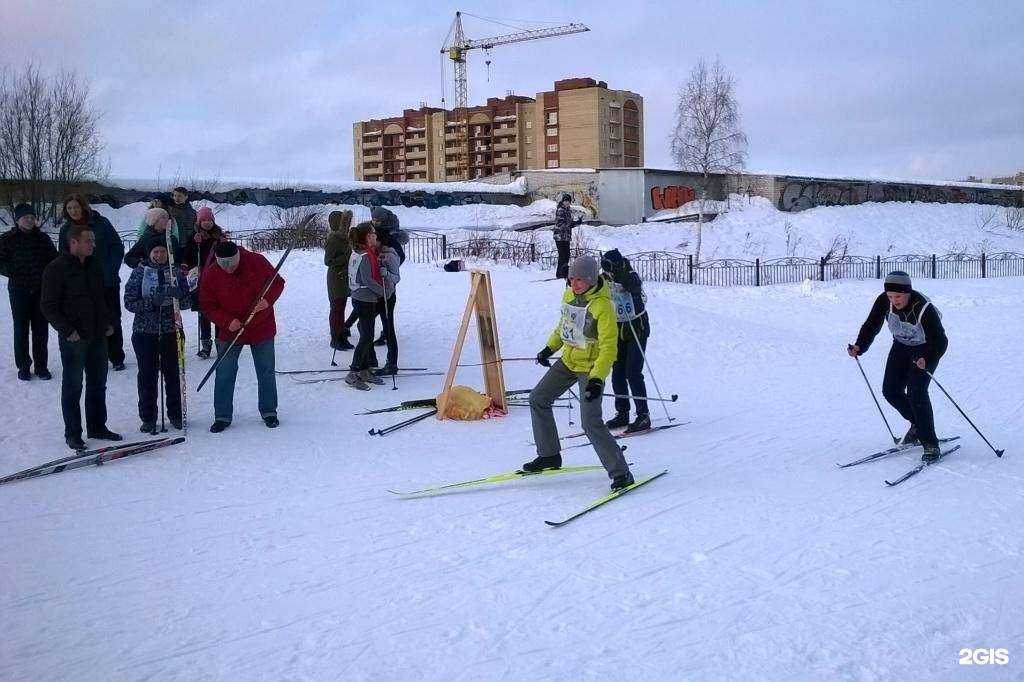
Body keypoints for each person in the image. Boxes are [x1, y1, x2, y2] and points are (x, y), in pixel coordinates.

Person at [524, 256, 634, 490]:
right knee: (538, 398)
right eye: (571, 279)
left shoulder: (603, 306)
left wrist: (596, 379)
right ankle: (549, 455)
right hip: (568, 361)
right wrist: (549, 348)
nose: (574, 284)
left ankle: (621, 473)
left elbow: (609, 348)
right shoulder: (569, 296)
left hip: (591, 367)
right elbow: (564, 326)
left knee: (590, 422)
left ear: (592, 280)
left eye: (580, 280)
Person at [849, 270, 948, 462]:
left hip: (925, 349)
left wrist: (926, 358)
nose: (895, 300)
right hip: (901, 346)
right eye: (891, 296)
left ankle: (930, 444)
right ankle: (917, 425)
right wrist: (860, 345)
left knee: (916, 392)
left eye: (899, 296)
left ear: (908, 292)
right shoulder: (884, 301)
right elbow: (872, 324)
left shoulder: (923, 307)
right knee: (890, 390)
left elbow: (940, 340)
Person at [42, 222, 122, 450]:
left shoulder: (94, 265)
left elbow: (101, 298)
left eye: (94, 241)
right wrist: (68, 331)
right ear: (73, 242)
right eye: (89, 241)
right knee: (73, 386)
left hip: (98, 335)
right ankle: (73, 433)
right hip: (74, 338)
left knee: (98, 384)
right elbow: (48, 305)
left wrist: (108, 323)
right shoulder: (56, 268)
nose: (93, 245)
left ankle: (97, 426)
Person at [198, 241, 284, 432]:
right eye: (223, 264)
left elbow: (277, 283)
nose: (228, 268)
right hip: (230, 330)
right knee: (225, 372)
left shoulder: (257, 261)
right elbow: (207, 304)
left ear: (238, 256)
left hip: (261, 326)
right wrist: (226, 321)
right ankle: (222, 415)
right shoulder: (211, 273)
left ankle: (269, 411)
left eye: (232, 263)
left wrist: (267, 301)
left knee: (266, 370)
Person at [124, 236, 191, 432]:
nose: (159, 255)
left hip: (172, 330)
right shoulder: (139, 273)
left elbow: (188, 301)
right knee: (147, 375)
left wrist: (181, 296)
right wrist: (151, 302)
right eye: (156, 252)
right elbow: (129, 302)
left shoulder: (176, 272)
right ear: (149, 253)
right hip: (145, 331)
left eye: (163, 251)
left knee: (173, 374)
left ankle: (176, 414)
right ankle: (148, 417)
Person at [58, 194, 127, 371]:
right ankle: (94, 354)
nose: (73, 211)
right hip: (81, 284)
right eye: (69, 208)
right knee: (88, 317)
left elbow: (117, 247)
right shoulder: (66, 230)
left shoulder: (101, 223)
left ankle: (116, 355)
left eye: (76, 207)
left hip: (106, 280)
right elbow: (64, 256)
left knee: (111, 317)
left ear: (83, 207)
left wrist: (109, 271)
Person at [0, 203, 57, 380]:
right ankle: (23, 366)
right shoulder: (7, 239)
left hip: (41, 290)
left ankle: (41, 366)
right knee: (21, 329)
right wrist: (14, 272)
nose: (30, 220)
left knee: (41, 329)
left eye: (32, 217)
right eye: (26, 218)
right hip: (19, 290)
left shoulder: (43, 239)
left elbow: (53, 260)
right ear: (18, 220)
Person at [601, 249, 651, 434]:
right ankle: (622, 412)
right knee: (617, 372)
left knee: (633, 372)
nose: (606, 272)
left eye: (608, 267)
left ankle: (643, 414)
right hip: (618, 328)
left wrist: (619, 275)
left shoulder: (630, 275)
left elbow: (634, 287)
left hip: (637, 327)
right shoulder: (605, 278)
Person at [346, 222, 396, 390]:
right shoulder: (365, 255)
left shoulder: (362, 252)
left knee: (367, 334)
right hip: (364, 298)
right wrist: (383, 292)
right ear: (368, 236)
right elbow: (367, 279)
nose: (376, 236)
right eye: (374, 233)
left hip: (363, 297)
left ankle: (365, 369)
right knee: (366, 336)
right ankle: (353, 372)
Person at [185, 206, 225, 358]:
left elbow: (226, 254)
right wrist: (194, 245)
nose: (207, 223)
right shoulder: (194, 237)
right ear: (199, 222)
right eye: (204, 220)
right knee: (204, 313)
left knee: (219, 312)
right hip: (201, 279)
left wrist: (223, 242)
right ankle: (206, 345)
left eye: (209, 220)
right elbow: (187, 256)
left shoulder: (219, 236)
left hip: (218, 278)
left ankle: (221, 344)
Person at [325, 210, 354, 351]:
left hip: (344, 277)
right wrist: (346, 257)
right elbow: (328, 261)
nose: (347, 225)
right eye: (345, 222)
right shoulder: (333, 239)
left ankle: (342, 335)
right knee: (336, 309)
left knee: (342, 308)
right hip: (336, 278)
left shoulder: (345, 238)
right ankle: (335, 338)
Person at [553, 193, 580, 279]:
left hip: (566, 236)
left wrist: (576, 223)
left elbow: (568, 224)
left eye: (569, 201)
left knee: (567, 255)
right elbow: (560, 224)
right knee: (562, 255)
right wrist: (571, 224)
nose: (567, 203)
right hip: (560, 237)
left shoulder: (567, 210)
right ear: (563, 201)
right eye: (566, 201)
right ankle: (559, 274)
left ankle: (563, 272)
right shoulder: (561, 210)